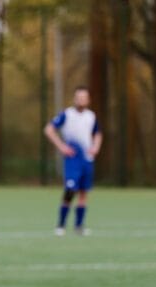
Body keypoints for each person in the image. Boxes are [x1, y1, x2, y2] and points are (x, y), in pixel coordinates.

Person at [44, 86, 103, 236]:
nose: (81, 100)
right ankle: (61, 225)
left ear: (88, 100)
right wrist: (61, 146)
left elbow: (97, 134)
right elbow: (49, 129)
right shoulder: (67, 114)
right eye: (79, 97)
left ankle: (79, 226)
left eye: (84, 97)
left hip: (87, 159)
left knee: (83, 192)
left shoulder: (91, 116)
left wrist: (95, 147)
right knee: (70, 190)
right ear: (74, 99)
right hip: (72, 159)